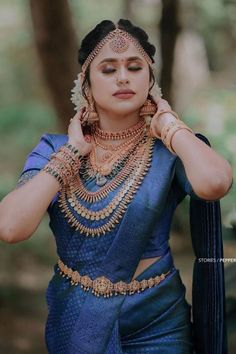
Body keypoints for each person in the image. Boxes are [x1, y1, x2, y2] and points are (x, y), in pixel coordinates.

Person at [0, 19, 233, 354]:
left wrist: (169, 124)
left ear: (150, 80)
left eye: (135, 67)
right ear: (86, 86)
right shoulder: (53, 150)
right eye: (108, 69)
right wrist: (72, 154)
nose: (123, 77)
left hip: (159, 320)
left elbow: (216, 182)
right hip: (77, 319)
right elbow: (9, 227)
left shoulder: (171, 151)